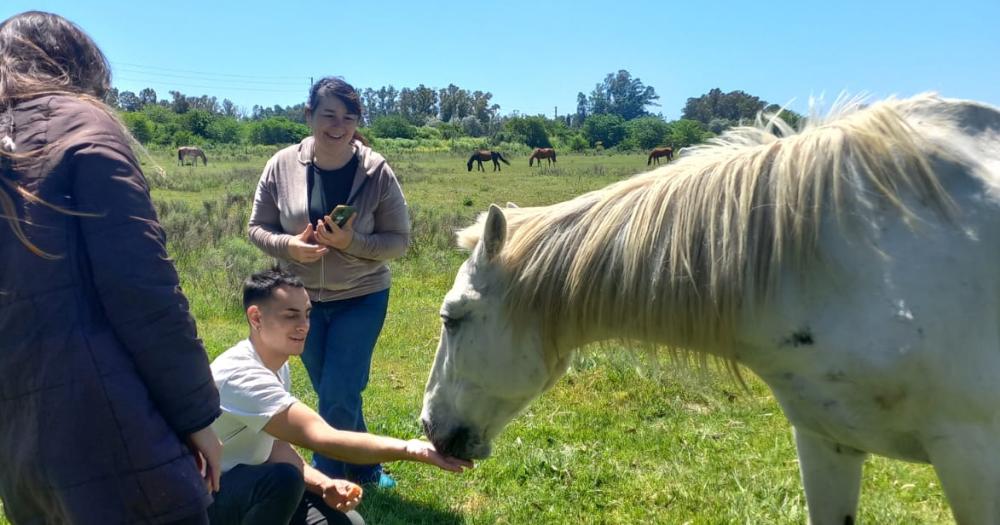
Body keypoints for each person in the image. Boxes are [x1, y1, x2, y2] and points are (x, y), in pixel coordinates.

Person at [0, 11, 222, 525]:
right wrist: (196, 416)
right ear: (76, 62)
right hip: (116, 434)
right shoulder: (82, 125)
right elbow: (144, 290)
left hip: (22, 457)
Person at [208, 268, 472, 524]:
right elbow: (323, 437)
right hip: (208, 501)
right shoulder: (241, 375)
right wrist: (411, 449)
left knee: (348, 522)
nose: (304, 326)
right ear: (255, 318)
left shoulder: (276, 364)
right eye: (291, 316)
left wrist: (324, 484)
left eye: (307, 314)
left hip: (255, 488)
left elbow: (273, 447)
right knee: (283, 480)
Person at [248, 76, 410, 487]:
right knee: (335, 392)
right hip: (301, 303)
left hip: (362, 295)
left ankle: (329, 477)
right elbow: (256, 228)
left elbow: (398, 241)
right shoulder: (281, 165)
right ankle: (367, 465)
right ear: (309, 115)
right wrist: (289, 247)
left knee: (338, 391)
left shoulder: (376, 171)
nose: (338, 125)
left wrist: (351, 242)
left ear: (357, 122)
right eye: (328, 114)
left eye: (348, 117)